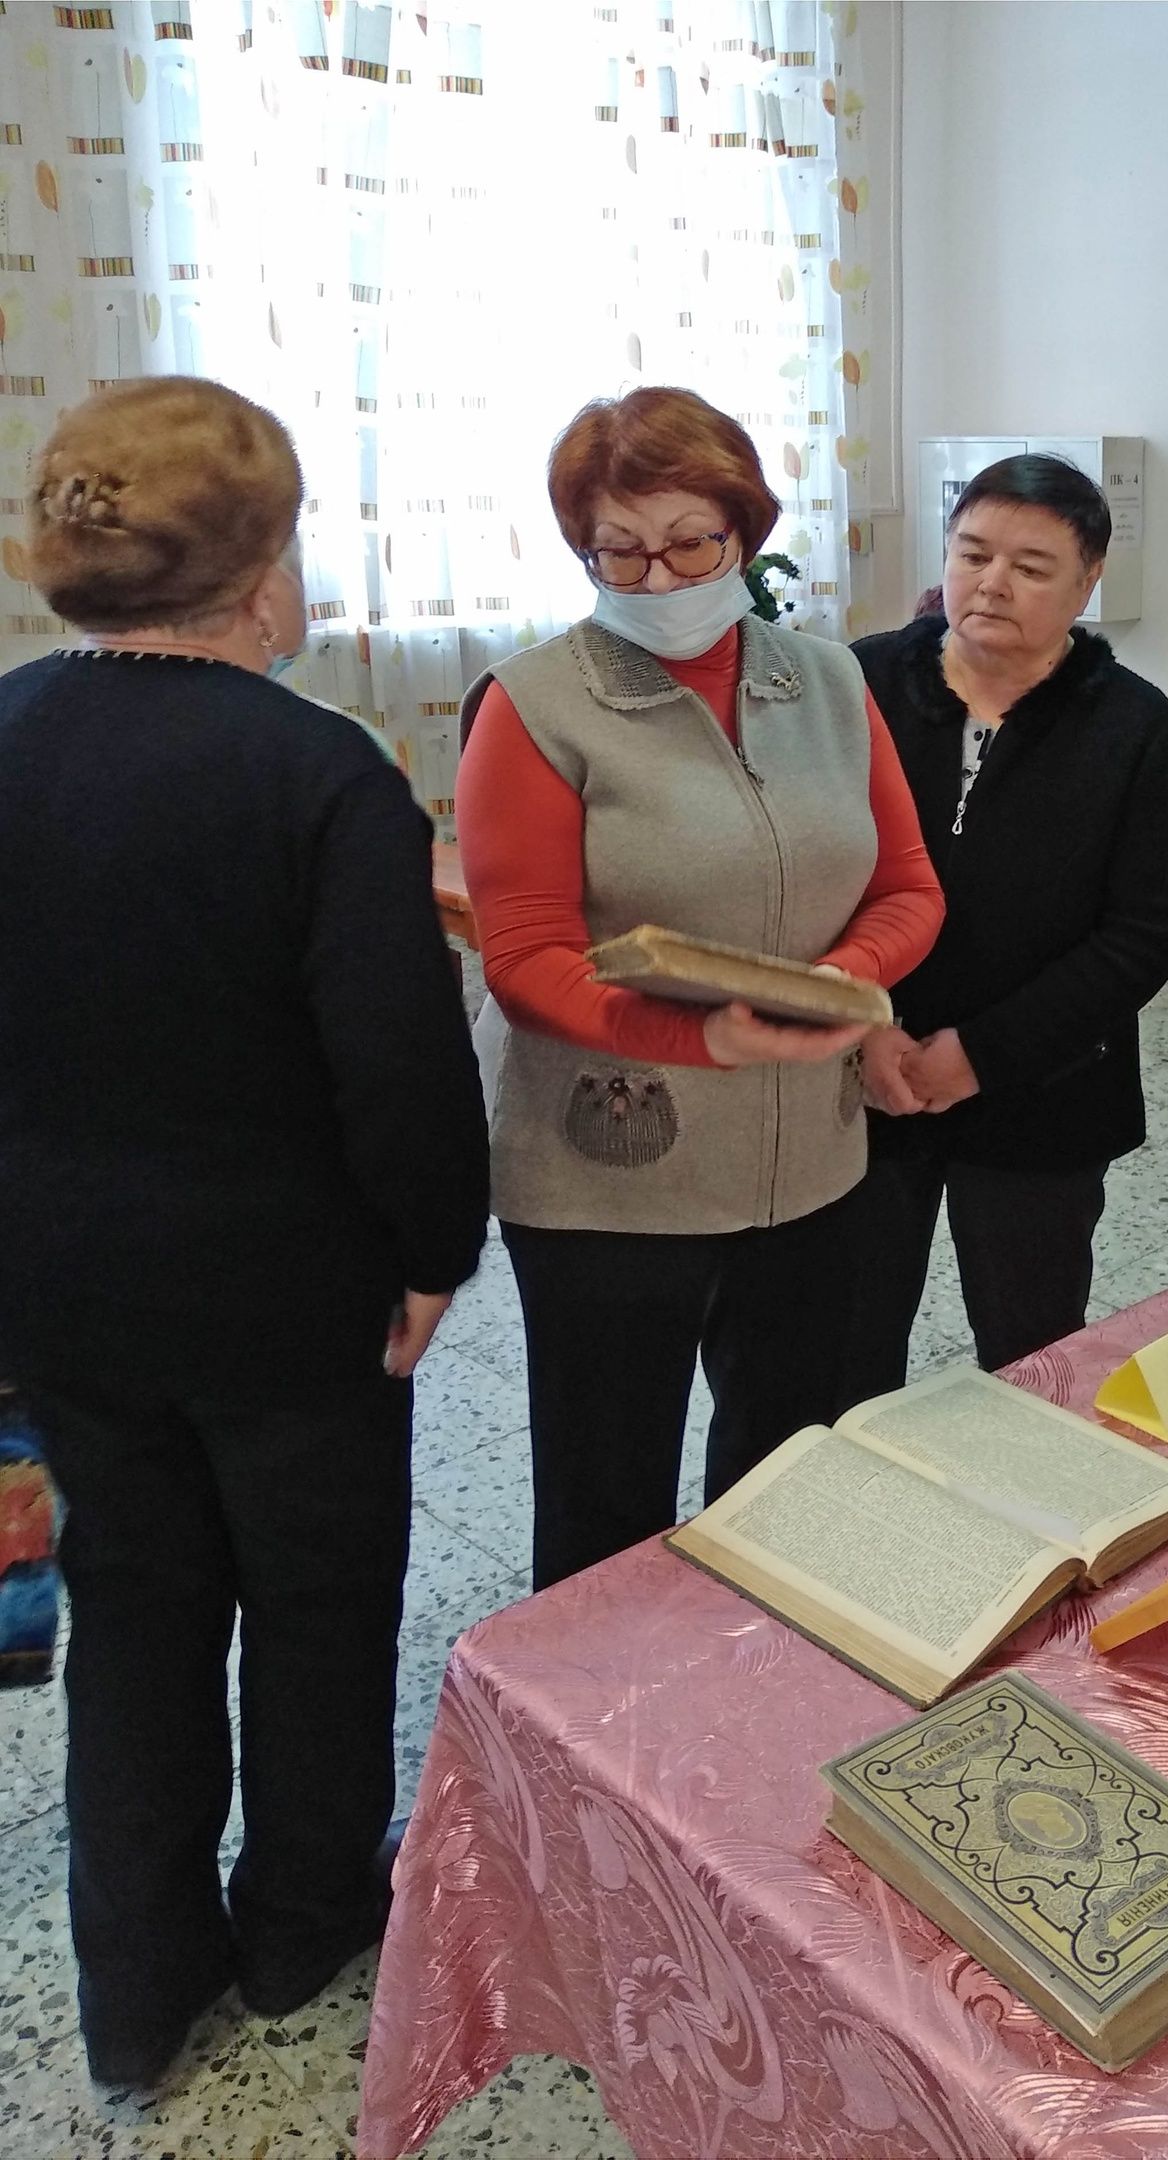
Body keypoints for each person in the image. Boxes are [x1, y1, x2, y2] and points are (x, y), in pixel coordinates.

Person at [0, 377, 491, 2087]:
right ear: (266, 564)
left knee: (133, 1618)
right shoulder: (319, 774)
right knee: (316, 1602)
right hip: (290, 1298)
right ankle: (301, 1923)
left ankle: (135, 1992)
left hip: (60, 1286)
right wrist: (436, 1251)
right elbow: (397, 1063)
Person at [455, 385, 943, 1590]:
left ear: (745, 531)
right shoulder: (534, 706)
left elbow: (907, 887)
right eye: (617, 551)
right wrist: (704, 1040)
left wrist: (832, 987)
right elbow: (525, 957)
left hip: (809, 1162)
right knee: (605, 1503)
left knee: (783, 1479)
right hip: (609, 1178)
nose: (658, 579)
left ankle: (751, 1685)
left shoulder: (827, 682)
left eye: (689, 544)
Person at [837, 455, 1168, 1391]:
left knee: (1032, 1353)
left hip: (1046, 1089)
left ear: (1088, 582)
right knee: (839, 1344)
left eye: (1031, 567)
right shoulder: (860, 682)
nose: (992, 583)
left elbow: (1142, 934)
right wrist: (866, 1031)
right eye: (972, 554)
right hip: (864, 1076)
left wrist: (979, 1054)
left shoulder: (1133, 724)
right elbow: (810, 879)